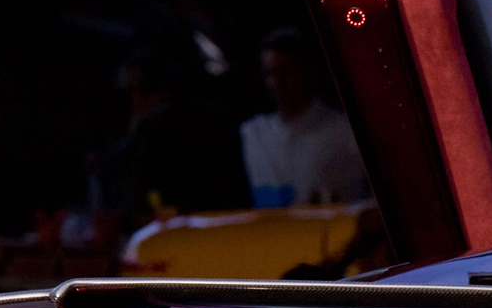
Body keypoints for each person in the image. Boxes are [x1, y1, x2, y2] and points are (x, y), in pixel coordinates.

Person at [94, 47, 251, 229]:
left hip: (174, 236)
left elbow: (136, 206)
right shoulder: (219, 118)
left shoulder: (149, 131)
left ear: (137, 92)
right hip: (231, 231)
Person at [240, 28, 372, 207]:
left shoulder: (346, 131)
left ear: (309, 72)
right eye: (270, 73)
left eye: (286, 72)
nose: (277, 82)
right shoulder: (252, 133)